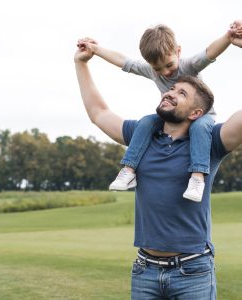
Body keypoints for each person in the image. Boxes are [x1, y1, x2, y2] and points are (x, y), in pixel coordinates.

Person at [74, 33, 242, 299]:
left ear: (196, 113)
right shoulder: (142, 136)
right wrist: (81, 64)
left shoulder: (211, 142)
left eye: (182, 92)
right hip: (145, 270)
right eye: (171, 89)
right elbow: (99, 113)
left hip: (193, 271)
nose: (170, 91)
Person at [78, 20, 242, 202]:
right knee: (147, 121)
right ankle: (128, 169)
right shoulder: (152, 75)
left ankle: (197, 177)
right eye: (158, 69)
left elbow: (209, 53)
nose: (165, 73)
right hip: (165, 123)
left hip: (204, 118)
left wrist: (228, 37)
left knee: (198, 128)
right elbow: (124, 63)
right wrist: (94, 50)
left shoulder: (188, 66)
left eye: (169, 65)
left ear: (178, 52)